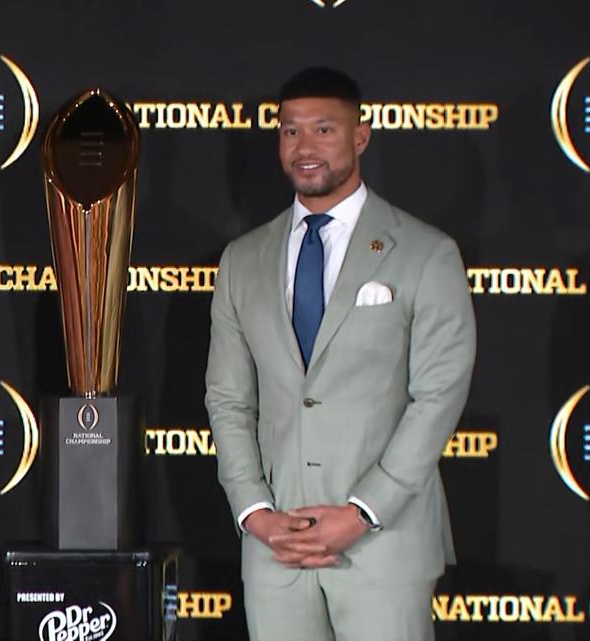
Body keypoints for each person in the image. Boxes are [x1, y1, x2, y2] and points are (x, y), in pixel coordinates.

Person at [205, 67, 475, 641]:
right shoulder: (242, 260)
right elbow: (228, 400)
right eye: (290, 132)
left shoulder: (426, 254)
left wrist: (362, 513)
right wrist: (255, 512)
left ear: (361, 136)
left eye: (324, 130)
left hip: (384, 545)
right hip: (275, 550)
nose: (305, 148)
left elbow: (437, 398)